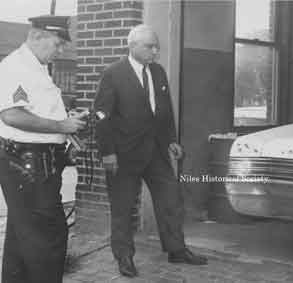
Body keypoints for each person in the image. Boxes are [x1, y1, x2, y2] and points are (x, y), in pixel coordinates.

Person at [94, 24, 207, 277]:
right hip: (123, 154)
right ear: (131, 45)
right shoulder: (113, 73)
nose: (155, 51)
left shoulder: (158, 72)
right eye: (149, 46)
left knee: (170, 199)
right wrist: (107, 153)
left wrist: (171, 141)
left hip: (156, 151)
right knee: (123, 208)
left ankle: (177, 250)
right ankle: (124, 257)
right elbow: (101, 116)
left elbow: (164, 112)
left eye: (156, 46)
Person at [0, 15, 87, 283]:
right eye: (57, 44)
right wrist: (62, 125)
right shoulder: (16, 66)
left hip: (37, 162)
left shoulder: (36, 67)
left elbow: (37, 111)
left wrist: (65, 130)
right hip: (27, 164)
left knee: (22, 236)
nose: (61, 50)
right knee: (48, 237)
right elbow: (12, 115)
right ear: (37, 37)